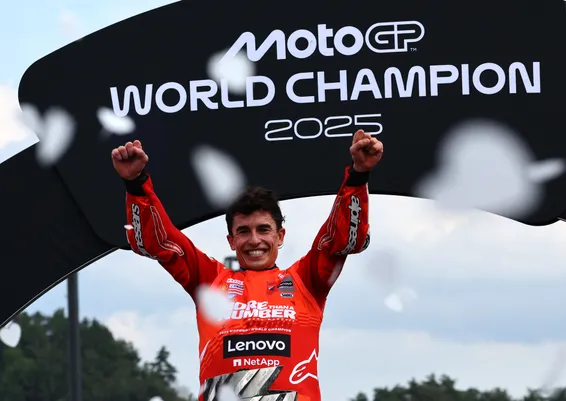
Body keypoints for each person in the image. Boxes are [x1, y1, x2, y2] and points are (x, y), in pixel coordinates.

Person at [111, 130, 384, 401]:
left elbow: (338, 238)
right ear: (231, 240)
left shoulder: (306, 280)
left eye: (263, 229)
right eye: (243, 231)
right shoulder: (210, 281)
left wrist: (358, 175)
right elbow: (161, 242)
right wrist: (136, 183)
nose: (254, 240)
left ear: (280, 236)